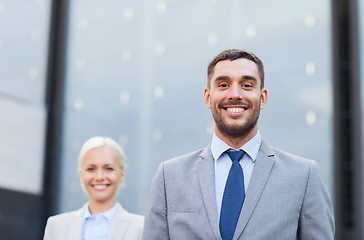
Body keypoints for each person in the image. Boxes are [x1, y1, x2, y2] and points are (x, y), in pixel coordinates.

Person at [142, 49, 335, 239]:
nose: (235, 94)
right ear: (208, 97)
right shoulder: (169, 177)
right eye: (224, 85)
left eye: (247, 85)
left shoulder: (304, 176)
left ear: (263, 98)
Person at [43, 136, 144, 240]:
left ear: (121, 175)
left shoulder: (142, 228)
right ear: (81, 175)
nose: (99, 177)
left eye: (108, 168)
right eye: (91, 169)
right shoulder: (57, 226)